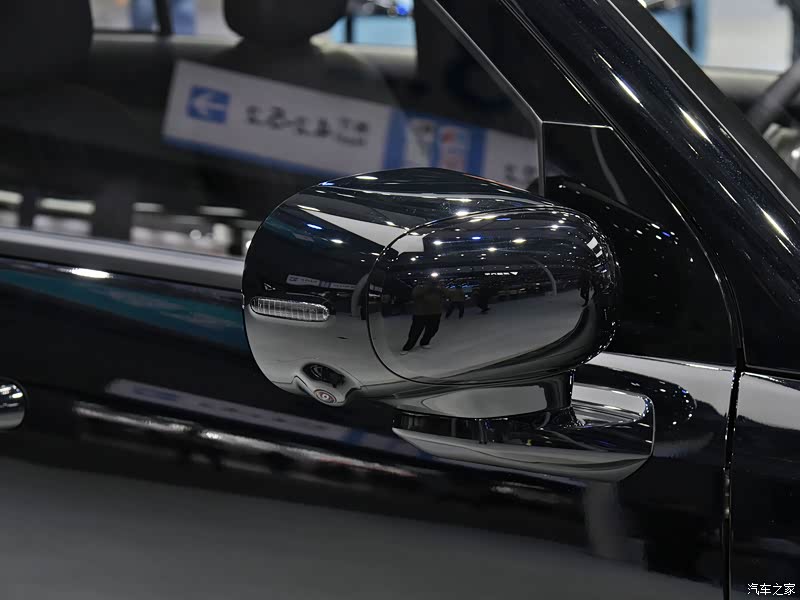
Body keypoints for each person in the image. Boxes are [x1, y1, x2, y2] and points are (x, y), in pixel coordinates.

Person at [401, 279, 444, 354]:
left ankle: (425, 342)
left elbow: (448, 294)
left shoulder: (438, 289)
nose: (433, 283)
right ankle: (407, 347)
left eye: (434, 282)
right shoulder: (419, 287)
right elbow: (415, 295)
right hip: (421, 313)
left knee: (432, 330)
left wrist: (441, 288)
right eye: (431, 282)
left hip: (435, 313)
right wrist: (428, 287)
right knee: (415, 331)